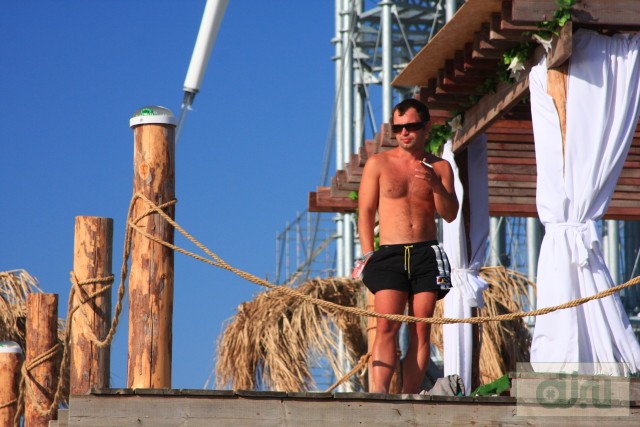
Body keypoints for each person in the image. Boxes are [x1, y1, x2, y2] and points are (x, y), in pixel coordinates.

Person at [356, 98, 458, 394]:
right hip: (390, 253)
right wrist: (367, 254)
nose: (404, 133)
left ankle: (411, 397)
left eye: (411, 126)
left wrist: (436, 185)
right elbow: (365, 212)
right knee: (386, 325)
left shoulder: (440, 166)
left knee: (421, 328)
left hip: (426, 253)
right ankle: (379, 395)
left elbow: (450, 214)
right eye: (398, 128)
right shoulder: (379, 164)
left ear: (426, 128)